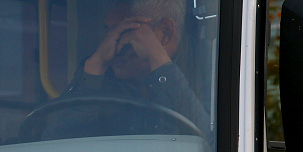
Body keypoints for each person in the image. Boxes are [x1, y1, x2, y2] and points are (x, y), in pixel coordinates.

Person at [39, 0, 211, 144]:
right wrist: (94, 66)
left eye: (125, 32)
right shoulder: (101, 70)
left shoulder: (212, 64)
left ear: (165, 32)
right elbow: (54, 145)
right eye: (109, 32)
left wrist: (159, 62)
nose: (114, 46)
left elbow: (210, 146)